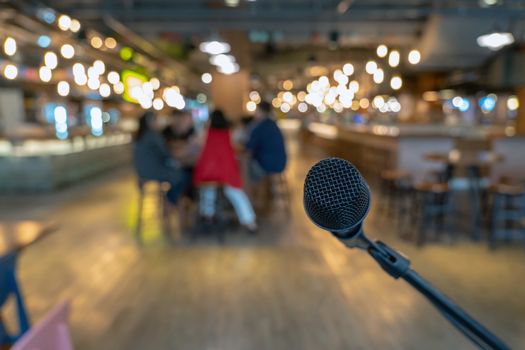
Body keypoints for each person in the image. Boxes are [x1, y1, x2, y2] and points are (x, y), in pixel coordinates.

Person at [193, 110, 257, 232]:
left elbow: (198, 146)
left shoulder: (205, 133)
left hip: (208, 170)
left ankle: (208, 215)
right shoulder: (229, 133)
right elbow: (236, 147)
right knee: (235, 191)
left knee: (208, 188)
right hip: (225, 169)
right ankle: (250, 222)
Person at [133, 112, 188, 205]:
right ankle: (171, 202)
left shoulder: (140, 135)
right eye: (156, 120)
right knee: (182, 176)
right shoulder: (152, 135)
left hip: (141, 172)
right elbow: (165, 153)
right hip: (154, 172)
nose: (157, 122)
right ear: (150, 122)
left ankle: (170, 201)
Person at [246, 101, 287, 183]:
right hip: (281, 163)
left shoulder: (259, 127)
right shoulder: (274, 125)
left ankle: (253, 193)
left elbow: (249, 150)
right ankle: (264, 191)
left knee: (244, 166)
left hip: (266, 165)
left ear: (261, 111)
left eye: (256, 111)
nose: (255, 113)